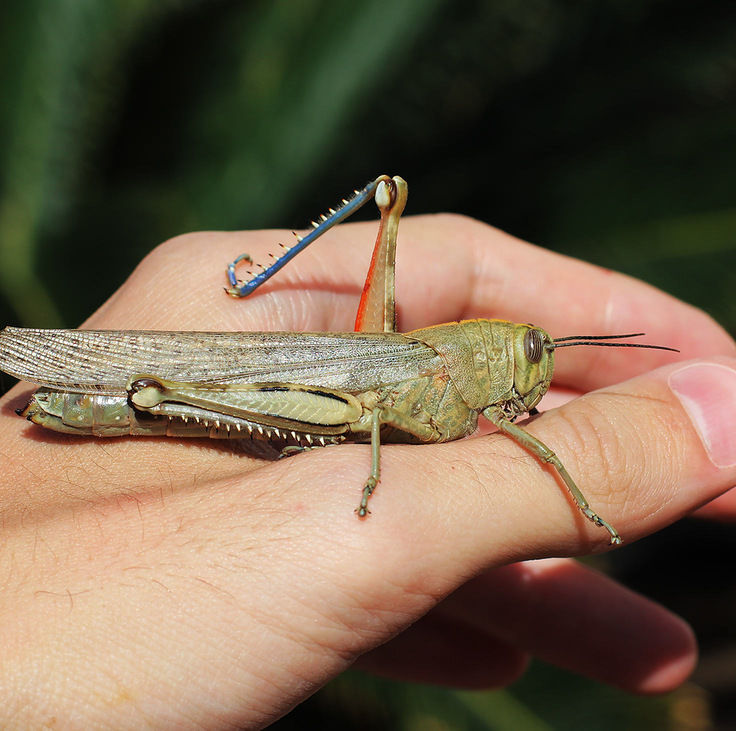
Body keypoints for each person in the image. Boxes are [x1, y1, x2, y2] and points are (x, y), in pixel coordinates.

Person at [0, 213, 734, 728]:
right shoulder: (439, 367)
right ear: (500, 351)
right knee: (390, 197)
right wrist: (588, 494)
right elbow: (387, 419)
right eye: (534, 354)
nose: (536, 371)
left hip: (352, 388)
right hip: (314, 388)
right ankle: (139, 392)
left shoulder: (476, 375)